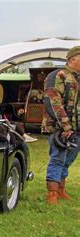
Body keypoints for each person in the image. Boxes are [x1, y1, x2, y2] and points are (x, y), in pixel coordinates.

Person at [43, 46, 80, 205]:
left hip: (76, 128)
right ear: (73, 58)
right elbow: (53, 103)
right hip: (60, 128)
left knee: (69, 159)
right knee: (58, 158)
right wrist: (66, 127)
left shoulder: (77, 78)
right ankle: (52, 193)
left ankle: (60, 189)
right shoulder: (57, 76)